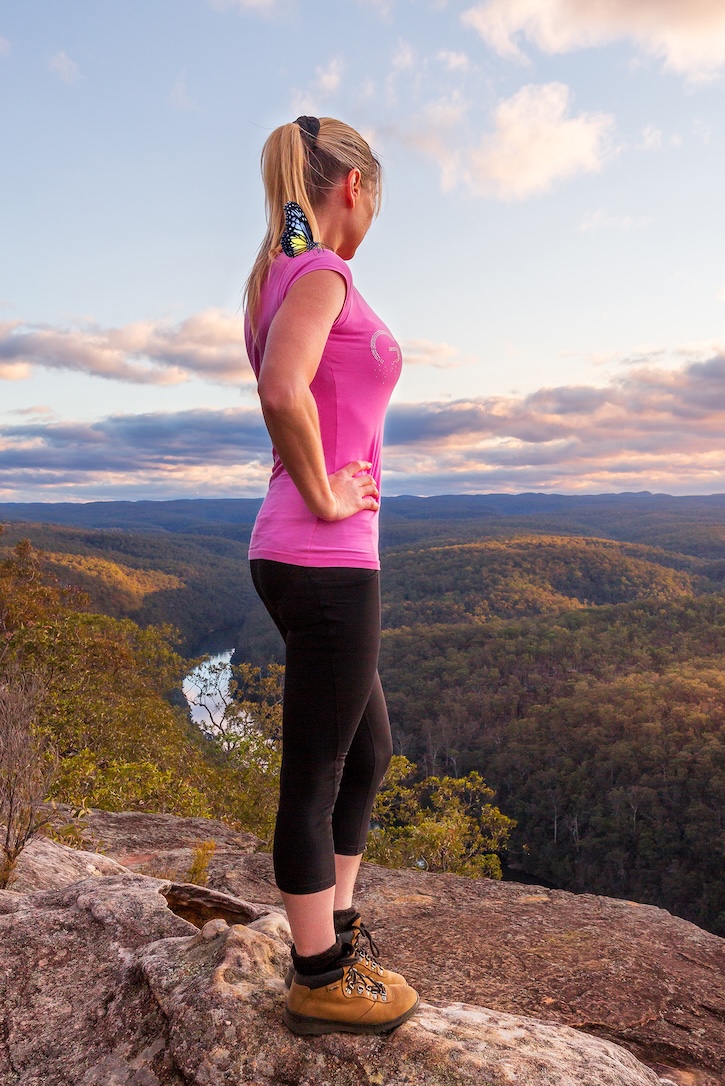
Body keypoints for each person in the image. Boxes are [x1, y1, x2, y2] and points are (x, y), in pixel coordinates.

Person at [243, 115, 418, 1036]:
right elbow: (281, 391)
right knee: (312, 775)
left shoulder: (277, 274)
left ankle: (336, 927)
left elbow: (290, 386)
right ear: (352, 184)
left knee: (370, 750)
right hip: (324, 557)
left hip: (303, 557)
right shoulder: (320, 273)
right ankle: (315, 973)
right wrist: (329, 495)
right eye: (377, 194)